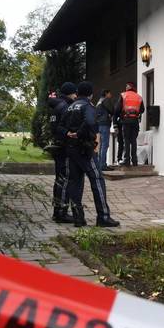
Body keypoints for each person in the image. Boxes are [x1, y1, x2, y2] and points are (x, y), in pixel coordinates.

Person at [62, 81, 120, 228]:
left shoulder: (69, 106)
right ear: (90, 94)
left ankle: (78, 218)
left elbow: (60, 126)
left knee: (75, 183)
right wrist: (80, 133)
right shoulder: (88, 106)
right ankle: (103, 217)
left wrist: (69, 133)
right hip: (84, 150)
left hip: (70, 149)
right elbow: (90, 122)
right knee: (97, 180)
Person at [47, 82, 78, 223]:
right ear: (70, 93)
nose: (76, 95)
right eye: (74, 93)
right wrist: (69, 133)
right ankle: (61, 212)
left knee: (59, 180)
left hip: (57, 147)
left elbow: (54, 128)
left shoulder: (56, 107)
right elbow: (63, 127)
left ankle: (57, 210)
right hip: (64, 148)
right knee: (65, 180)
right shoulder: (66, 107)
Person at [114, 80, 145, 166]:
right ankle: (134, 160)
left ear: (128, 87)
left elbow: (117, 109)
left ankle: (127, 160)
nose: (125, 87)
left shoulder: (123, 95)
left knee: (126, 140)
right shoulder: (139, 97)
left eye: (126, 86)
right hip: (135, 121)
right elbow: (142, 109)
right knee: (133, 140)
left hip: (126, 120)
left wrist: (119, 116)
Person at [95, 89, 114, 170]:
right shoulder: (106, 100)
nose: (111, 95)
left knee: (101, 145)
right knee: (105, 145)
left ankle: (100, 164)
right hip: (104, 124)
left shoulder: (99, 101)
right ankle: (103, 165)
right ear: (106, 94)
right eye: (110, 93)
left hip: (99, 124)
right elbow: (112, 110)